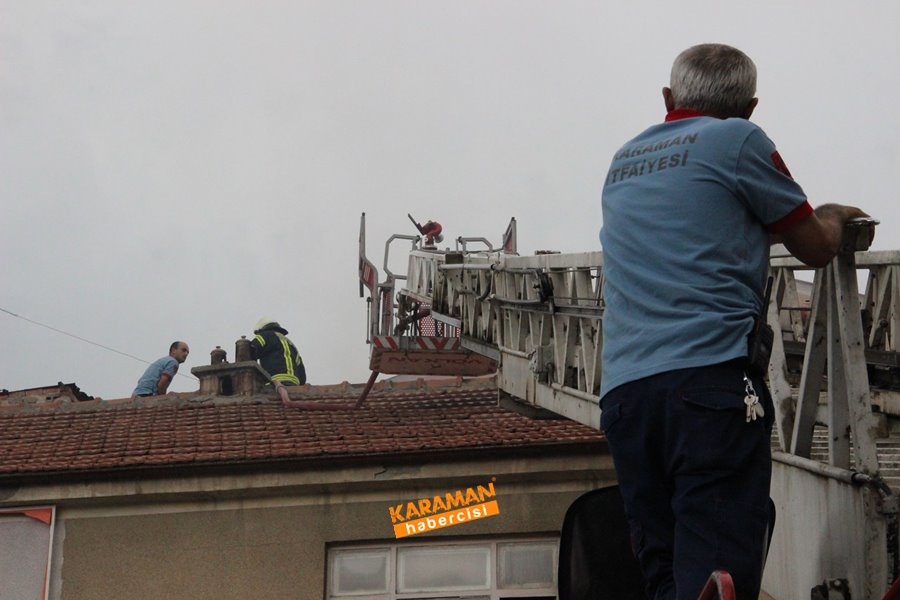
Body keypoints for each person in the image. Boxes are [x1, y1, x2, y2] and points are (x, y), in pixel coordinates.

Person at [598, 43, 872, 600]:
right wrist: (835, 218)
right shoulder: (739, 140)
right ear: (750, 108)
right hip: (710, 386)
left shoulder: (623, 160)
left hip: (625, 397)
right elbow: (815, 247)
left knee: (663, 572)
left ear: (668, 99)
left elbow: (701, 218)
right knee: (715, 571)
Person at [250, 317, 307, 389]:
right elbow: (302, 377)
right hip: (294, 385)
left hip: (274, 384)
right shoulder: (291, 345)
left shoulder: (265, 335)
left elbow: (250, 350)